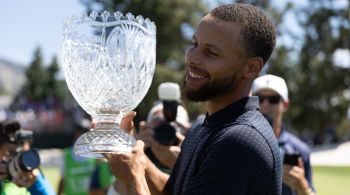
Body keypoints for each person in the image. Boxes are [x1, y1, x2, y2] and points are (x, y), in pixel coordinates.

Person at [105, 3, 282, 194]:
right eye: (195, 44)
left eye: (211, 52)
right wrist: (135, 156)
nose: (191, 57)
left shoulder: (239, 141)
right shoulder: (202, 126)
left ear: (251, 67)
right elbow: (174, 191)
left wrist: (133, 175)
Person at [252, 74, 316, 195]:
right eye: (259, 99)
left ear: (285, 104)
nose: (265, 104)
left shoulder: (300, 150)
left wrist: (302, 188)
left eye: (273, 99)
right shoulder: (239, 143)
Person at [0, 120, 55, 195]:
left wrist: (34, 184)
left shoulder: (31, 177)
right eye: (11, 152)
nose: (17, 159)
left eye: (21, 153)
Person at [57, 119, 96, 195]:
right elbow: (62, 179)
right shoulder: (67, 154)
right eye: (81, 132)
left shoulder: (96, 154)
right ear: (76, 133)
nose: (83, 135)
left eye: (86, 132)